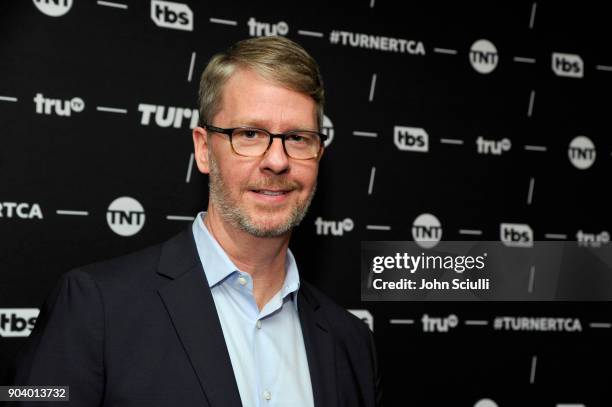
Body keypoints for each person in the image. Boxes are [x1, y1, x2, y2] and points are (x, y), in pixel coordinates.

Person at [11, 36, 382, 406]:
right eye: (250, 134)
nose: (277, 160)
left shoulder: (351, 342)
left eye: (298, 138)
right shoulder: (96, 307)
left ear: (318, 153)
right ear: (204, 150)